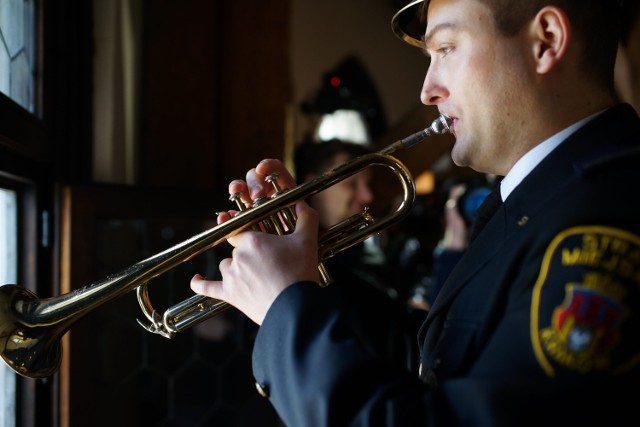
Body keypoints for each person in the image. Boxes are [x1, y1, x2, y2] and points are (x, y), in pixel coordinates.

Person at [191, 0, 640, 425]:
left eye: (446, 49)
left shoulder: (604, 219)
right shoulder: (543, 193)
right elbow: (442, 358)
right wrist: (305, 272)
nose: (427, 91)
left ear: (545, 41)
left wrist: (285, 308)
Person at [294, 138, 421, 369]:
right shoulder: (298, 262)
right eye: (351, 183)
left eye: (367, 184)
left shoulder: (364, 254)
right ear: (313, 185)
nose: (367, 197)